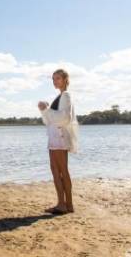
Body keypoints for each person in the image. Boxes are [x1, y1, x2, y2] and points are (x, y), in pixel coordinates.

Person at [37, 69, 79, 214]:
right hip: (54, 137)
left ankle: (68, 204)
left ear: (65, 79)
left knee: (62, 171)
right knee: (56, 171)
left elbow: (64, 118)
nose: (55, 81)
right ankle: (63, 204)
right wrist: (44, 110)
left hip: (60, 137)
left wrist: (47, 109)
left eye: (58, 78)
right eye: (53, 79)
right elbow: (48, 121)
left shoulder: (66, 95)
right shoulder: (60, 96)